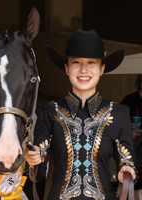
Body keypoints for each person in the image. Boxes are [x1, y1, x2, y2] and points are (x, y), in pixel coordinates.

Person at [25, 29, 136, 200]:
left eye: (91, 62)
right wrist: (33, 160)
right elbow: (39, 170)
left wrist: (127, 171)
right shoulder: (50, 111)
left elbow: (127, 160)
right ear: (67, 68)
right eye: (76, 62)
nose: (84, 69)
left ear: (102, 69)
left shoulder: (119, 113)